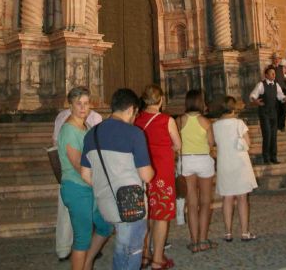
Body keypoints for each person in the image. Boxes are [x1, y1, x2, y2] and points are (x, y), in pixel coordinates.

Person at [81, 88, 154, 270]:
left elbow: (85, 174)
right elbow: (146, 175)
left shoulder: (92, 134)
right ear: (130, 109)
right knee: (129, 255)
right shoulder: (134, 133)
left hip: (106, 203)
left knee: (123, 249)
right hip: (131, 205)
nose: (134, 118)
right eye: (135, 113)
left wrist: (106, 187)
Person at [57, 87, 112, 270]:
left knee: (105, 227)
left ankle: (87, 264)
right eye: (78, 104)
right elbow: (79, 166)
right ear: (70, 106)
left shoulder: (85, 126)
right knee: (82, 238)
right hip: (76, 188)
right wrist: (103, 187)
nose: (83, 107)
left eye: (86, 103)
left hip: (89, 187)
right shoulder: (68, 130)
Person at [135, 84, 182, 269]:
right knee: (161, 214)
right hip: (162, 172)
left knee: (146, 214)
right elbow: (177, 145)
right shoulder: (166, 120)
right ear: (160, 100)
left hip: (142, 172)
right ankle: (158, 259)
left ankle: (144, 255)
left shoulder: (137, 119)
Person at [53, 105, 103, 261]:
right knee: (81, 226)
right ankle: (75, 250)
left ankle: (64, 249)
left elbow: (54, 141)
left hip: (73, 175)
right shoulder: (92, 118)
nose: (83, 106)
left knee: (69, 216)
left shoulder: (63, 116)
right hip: (78, 178)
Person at [212, 96, 258, 242]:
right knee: (242, 198)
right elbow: (248, 143)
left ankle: (228, 233)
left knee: (227, 198)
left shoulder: (215, 125)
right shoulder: (239, 123)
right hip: (240, 164)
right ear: (233, 108)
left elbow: (213, 143)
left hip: (224, 163)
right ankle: (244, 232)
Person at [177, 89, 217, 253]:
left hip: (186, 160)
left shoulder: (179, 120)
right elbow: (211, 144)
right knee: (205, 203)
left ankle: (193, 242)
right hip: (203, 160)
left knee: (192, 204)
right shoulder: (206, 122)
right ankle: (203, 240)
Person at [250, 65, 286, 164]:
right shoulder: (261, 85)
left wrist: (284, 99)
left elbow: (280, 95)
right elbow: (253, 95)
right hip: (264, 113)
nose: (274, 75)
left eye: (274, 73)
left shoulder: (276, 85)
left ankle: (273, 157)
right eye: (271, 73)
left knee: (274, 136)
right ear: (266, 75)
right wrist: (255, 101)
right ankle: (266, 158)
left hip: (273, 113)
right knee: (267, 135)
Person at [271, 53, 286, 131]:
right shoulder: (269, 68)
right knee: (276, 108)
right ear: (273, 59)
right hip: (274, 91)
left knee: (284, 108)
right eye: (275, 58)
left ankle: (282, 126)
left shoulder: (283, 68)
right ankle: (277, 125)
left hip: (283, 90)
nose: (277, 60)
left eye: (278, 58)